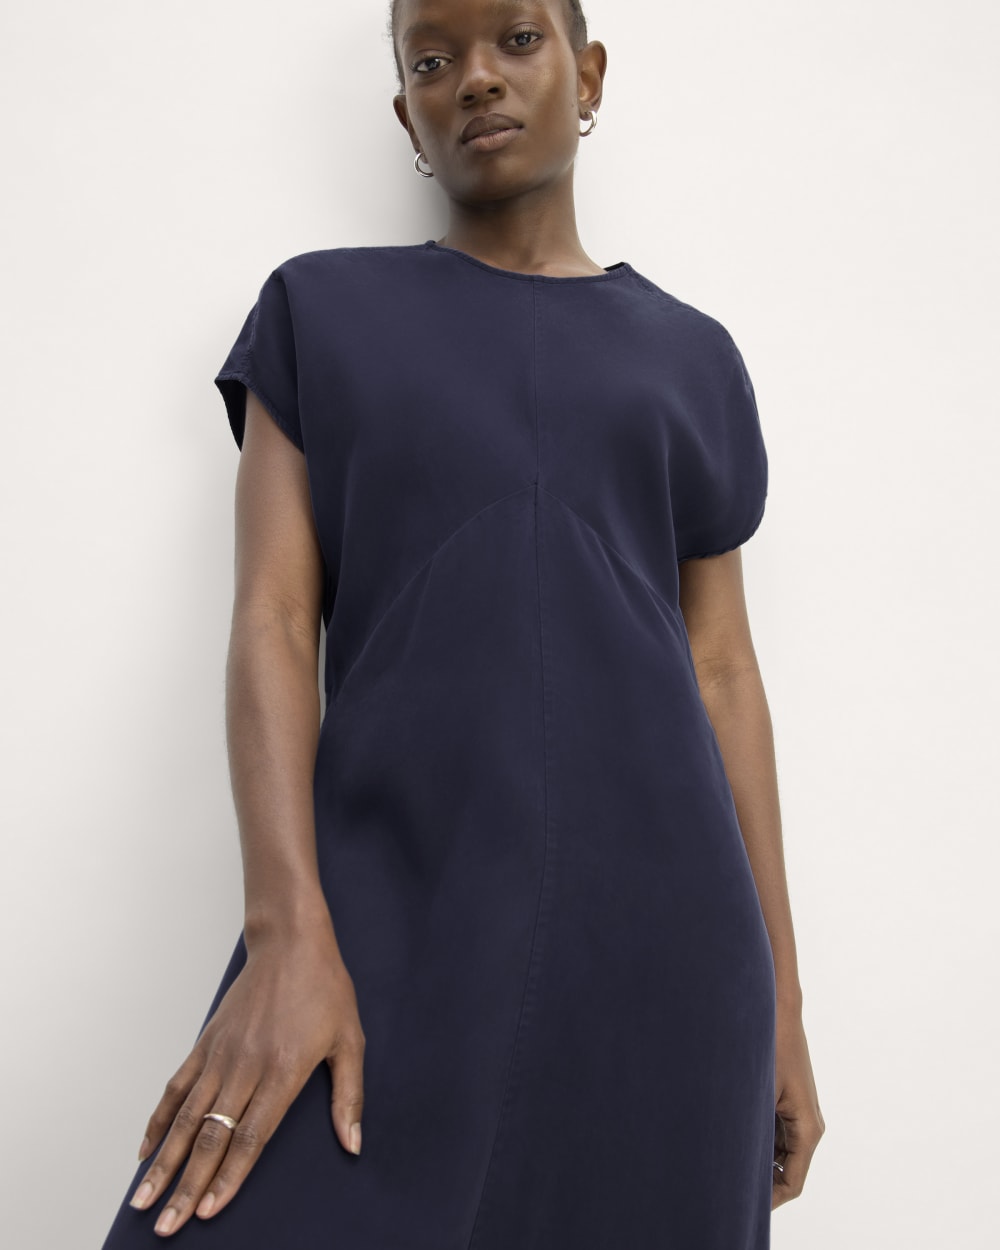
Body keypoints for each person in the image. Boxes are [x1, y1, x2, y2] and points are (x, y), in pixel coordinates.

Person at [101, 0, 825, 1245]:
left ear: (588, 74)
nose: (475, 78)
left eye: (517, 40)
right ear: (407, 116)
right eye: (432, 60)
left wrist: (785, 1008)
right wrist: (285, 931)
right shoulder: (319, 312)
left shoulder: (694, 357)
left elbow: (720, 670)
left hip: (662, 948)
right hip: (390, 909)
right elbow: (273, 614)